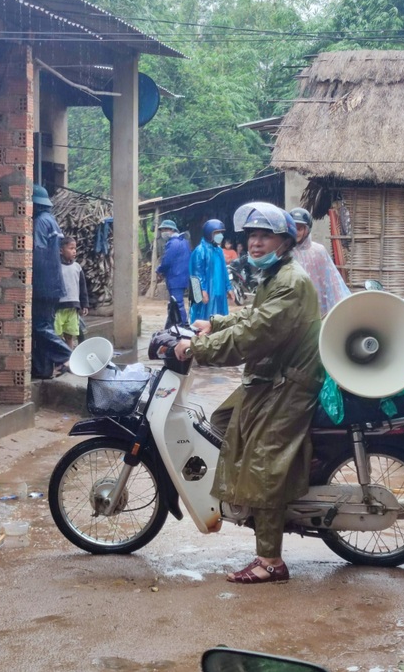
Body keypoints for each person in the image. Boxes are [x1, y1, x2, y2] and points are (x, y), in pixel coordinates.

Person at [173, 203, 322, 585]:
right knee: (222, 421)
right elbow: (251, 316)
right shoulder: (275, 276)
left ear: (285, 241)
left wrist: (200, 349)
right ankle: (247, 499)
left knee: (262, 460)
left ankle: (270, 559)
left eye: (264, 236)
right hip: (270, 377)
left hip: (288, 384)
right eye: (251, 236)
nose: (255, 243)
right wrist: (214, 322)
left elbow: (254, 334)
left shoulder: (289, 280)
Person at [31, 184, 73, 378]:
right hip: (54, 283)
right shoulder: (51, 220)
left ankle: (67, 355)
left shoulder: (40, 222)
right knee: (42, 327)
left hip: (43, 284)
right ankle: (43, 370)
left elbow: (38, 254)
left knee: (39, 328)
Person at [289, 207, 350, 318]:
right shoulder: (285, 251)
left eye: (300, 228)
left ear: (307, 230)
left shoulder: (318, 251)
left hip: (318, 307)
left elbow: (332, 282)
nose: (296, 232)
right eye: (293, 228)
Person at [188, 219, 230, 323]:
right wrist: (201, 291)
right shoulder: (200, 251)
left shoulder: (219, 250)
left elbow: (224, 271)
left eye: (221, 233)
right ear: (209, 233)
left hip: (219, 291)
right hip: (206, 292)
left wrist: (229, 287)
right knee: (202, 316)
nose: (220, 235)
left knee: (220, 316)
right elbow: (196, 274)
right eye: (217, 233)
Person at [55, 237, 90, 350]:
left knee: (69, 336)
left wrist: (84, 304)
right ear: (61, 251)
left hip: (73, 308)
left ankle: (69, 360)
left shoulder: (77, 268)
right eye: (71, 248)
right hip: (58, 307)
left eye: (75, 248)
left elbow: (82, 287)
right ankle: (58, 361)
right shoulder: (56, 267)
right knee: (57, 336)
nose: (74, 251)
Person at [155, 219, 190, 327]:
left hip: (175, 277)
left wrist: (159, 270)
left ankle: (183, 325)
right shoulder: (184, 242)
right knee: (174, 303)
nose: (162, 232)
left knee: (177, 303)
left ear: (171, 230)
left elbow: (167, 260)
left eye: (164, 229)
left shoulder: (173, 243)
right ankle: (172, 325)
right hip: (182, 277)